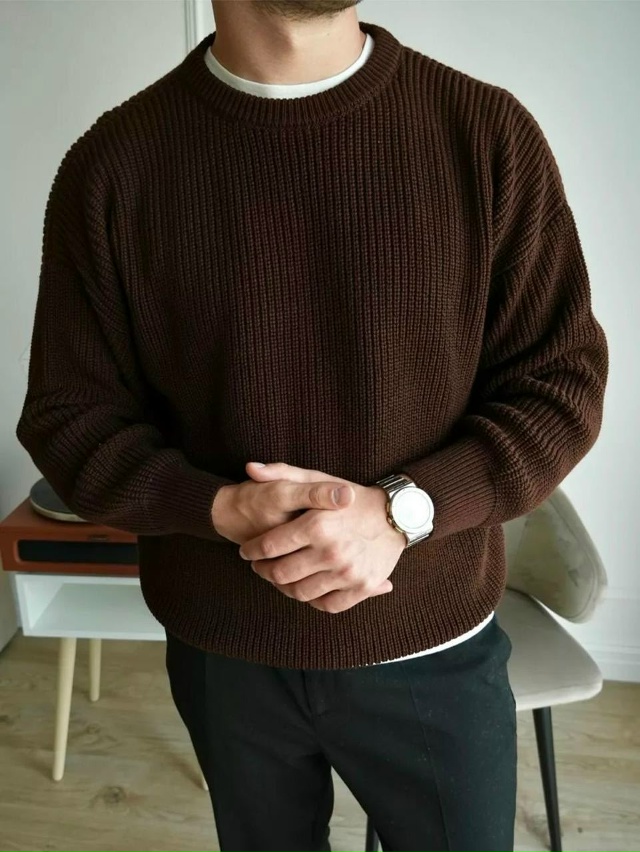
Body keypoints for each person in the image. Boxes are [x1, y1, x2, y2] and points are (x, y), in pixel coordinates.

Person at [16, 1, 609, 850]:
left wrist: (402, 511)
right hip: (223, 649)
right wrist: (219, 507)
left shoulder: (485, 134)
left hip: (433, 640)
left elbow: (561, 384)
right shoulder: (114, 165)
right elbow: (69, 418)